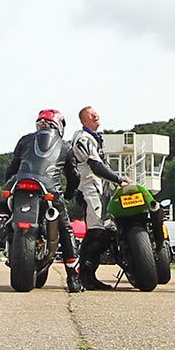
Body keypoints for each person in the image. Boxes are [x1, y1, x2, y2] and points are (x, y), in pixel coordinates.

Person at [3, 110, 120, 293]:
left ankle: (3, 225)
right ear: (59, 125)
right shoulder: (65, 146)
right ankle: (73, 278)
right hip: (49, 189)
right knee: (66, 230)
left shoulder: (25, 140)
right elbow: (73, 176)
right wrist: (69, 193)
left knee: (0, 204)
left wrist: (9, 186)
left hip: (20, 185)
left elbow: (12, 167)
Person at [69, 105, 120, 290]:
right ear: (83, 121)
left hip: (96, 189)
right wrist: (118, 179)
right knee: (97, 231)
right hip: (89, 188)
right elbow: (95, 165)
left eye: (96, 112)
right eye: (91, 114)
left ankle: (87, 275)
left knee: (103, 231)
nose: (96, 115)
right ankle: (86, 277)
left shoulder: (94, 138)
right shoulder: (84, 138)